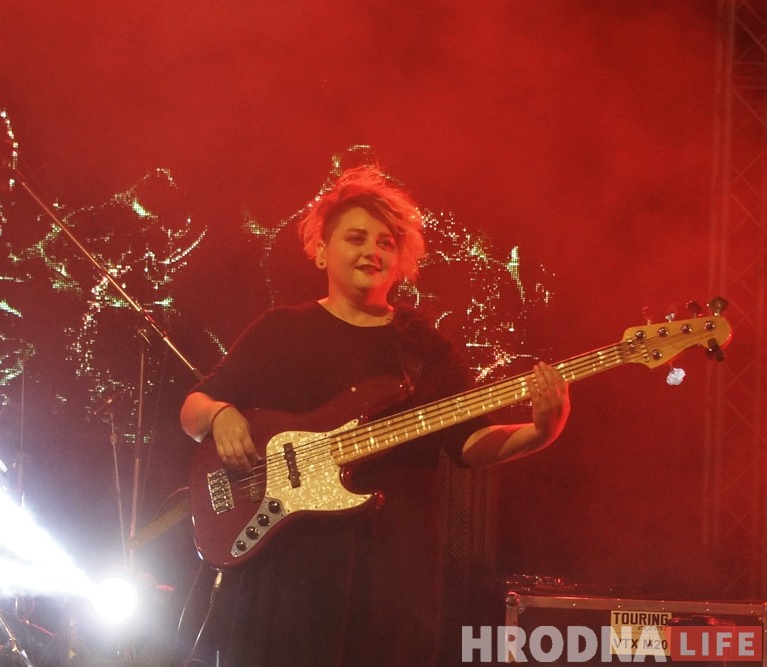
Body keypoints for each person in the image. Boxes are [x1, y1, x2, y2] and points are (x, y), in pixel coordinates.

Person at [179, 165, 570, 666]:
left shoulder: (423, 349)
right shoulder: (281, 330)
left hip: (391, 568)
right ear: (322, 249)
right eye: (356, 238)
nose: (373, 251)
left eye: (386, 242)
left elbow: (469, 443)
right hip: (287, 563)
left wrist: (540, 432)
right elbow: (193, 410)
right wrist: (220, 414)